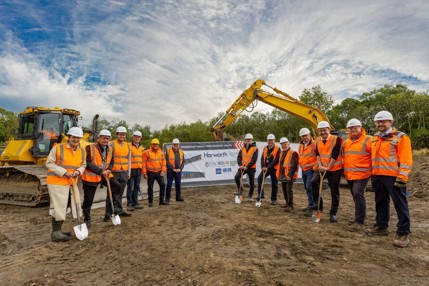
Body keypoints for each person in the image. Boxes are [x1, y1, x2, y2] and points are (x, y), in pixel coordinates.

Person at [365, 111, 413, 248]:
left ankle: (403, 232)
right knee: (380, 201)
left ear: (390, 122)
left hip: (394, 177)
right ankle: (381, 226)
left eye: (383, 121)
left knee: (400, 204)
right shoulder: (375, 138)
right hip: (377, 175)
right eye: (378, 122)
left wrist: (402, 177)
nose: (380, 124)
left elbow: (406, 159)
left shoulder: (400, 137)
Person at [46, 127, 86, 242]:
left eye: (78, 138)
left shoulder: (81, 150)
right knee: (59, 206)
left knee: (68, 205)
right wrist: (64, 172)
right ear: (69, 137)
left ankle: (58, 230)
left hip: (72, 182)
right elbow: (49, 163)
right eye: (74, 137)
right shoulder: (58, 148)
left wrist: (78, 171)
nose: (76, 140)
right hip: (57, 181)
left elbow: (83, 164)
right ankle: (56, 232)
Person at [81, 129, 122, 226]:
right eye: (103, 138)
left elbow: (111, 162)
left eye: (107, 138)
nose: (105, 140)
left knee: (116, 186)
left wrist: (109, 170)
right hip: (91, 177)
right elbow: (86, 163)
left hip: (105, 175)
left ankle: (112, 209)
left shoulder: (110, 149)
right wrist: (100, 171)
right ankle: (87, 218)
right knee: (88, 200)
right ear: (99, 138)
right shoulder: (90, 148)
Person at [342, 119, 372, 231]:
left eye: (355, 127)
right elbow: (343, 157)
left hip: (363, 174)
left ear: (361, 127)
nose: (353, 129)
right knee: (355, 196)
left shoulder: (369, 140)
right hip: (349, 174)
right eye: (351, 128)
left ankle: (359, 221)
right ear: (348, 129)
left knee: (358, 193)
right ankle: (360, 217)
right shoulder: (346, 142)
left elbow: (374, 156)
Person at [311, 121, 343, 223]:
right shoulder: (317, 140)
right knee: (314, 182)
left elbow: (335, 154)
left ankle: (333, 212)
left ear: (329, 130)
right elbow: (317, 154)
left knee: (334, 190)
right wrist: (320, 165)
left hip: (334, 169)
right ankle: (318, 206)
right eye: (320, 131)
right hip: (322, 167)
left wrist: (328, 167)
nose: (323, 132)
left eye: (324, 130)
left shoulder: (337, 139)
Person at [109, 126, 132, 217]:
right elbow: (108, 159)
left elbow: (129, 159)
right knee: (112, 193)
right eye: (120, 134)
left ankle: (119, 210)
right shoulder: (111, 144)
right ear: (117, 135)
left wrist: (129, 172)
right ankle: (109, 212)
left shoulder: (127, 145)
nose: (122, 136)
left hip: (124, 172)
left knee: (120, 193)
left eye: (123, 134)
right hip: (114, 172)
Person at [256, 134, 280, 205]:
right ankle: (261, 195)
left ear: (274, 140)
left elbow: (276, 160)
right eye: (269, 140)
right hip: (265, 168)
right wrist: (263, 167)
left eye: (271, 140)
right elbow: (262, 158)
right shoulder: (265, 148)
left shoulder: (277, 149)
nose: (270, 142)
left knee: (274, 183)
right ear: (267, 141)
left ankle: (273, 199)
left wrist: (268, 167)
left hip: (274, 169)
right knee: (260, 178)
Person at [298, 128, 317, 217]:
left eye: (306, 135)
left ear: (309, 135)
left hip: (311, 170)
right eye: (303, 136)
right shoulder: (301, 145)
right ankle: (311, 203)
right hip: (304, 170)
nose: (304, 137)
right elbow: (301, 156)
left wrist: (314, 167)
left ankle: (312, 206)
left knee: (309, 187)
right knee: (306, 187)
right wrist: (301, 165)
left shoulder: (314, 144)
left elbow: (318, 157)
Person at [276, 137, 298, 212]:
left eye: (285, 144)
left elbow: (294, 165)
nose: (284, 145)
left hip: (289, 176)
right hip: (283, 175)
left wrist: (290, 175)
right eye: (282, 144)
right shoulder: (282, 153)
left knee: (289, 190)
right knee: (284, 190)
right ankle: (287, 203)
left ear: (288, 143)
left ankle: (290, 205)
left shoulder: (293, 153)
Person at [142, 138, 167, 207]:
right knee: (150, 187)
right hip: (150, 172)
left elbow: (164, 163)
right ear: (151, 145)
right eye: (154, 144)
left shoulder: (161, 153)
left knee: (163, 185)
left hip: (159, 172)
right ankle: (150, 202)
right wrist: (144, 173)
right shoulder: (146, 152)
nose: (155, 145)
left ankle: (161, 201)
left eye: (156, 144)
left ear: (158, 145)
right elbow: (143, 163)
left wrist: (162, 171)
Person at [234, 133, 258, 201]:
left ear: (252, 140)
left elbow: (254, 159)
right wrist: (240, 165)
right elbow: (239, 157)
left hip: (251, 168)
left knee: (251, 182)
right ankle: (240, 190)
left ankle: (250, 195)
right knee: (236, 177)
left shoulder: (255, 148)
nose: (248, 140)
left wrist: (247, 166)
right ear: (245, 140)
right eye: (247, 139)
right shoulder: (242, 148)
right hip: (243, 167)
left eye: (249, 139)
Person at [127, 131, 145, 211]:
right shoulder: (128, 146)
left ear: (140, 138)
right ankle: (129, 204)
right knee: (130, 187)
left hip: (138, 170)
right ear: (133, 137)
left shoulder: (142, 148)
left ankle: (135, 202)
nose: (137, 138)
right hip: (131, 170)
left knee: (136, 187)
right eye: (135, 137)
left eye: (138, 137)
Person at [165, 138, 185, 204]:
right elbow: (166, 162)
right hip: (170, 171)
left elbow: (183, 162)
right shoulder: (168, 151)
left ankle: (178, 197)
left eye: (177, 144)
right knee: (169, 185)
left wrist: (180, 168)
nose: (176, 145)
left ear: (178, 145)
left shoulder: (181, 152)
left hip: (178, 171)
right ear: (172, 144)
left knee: (178, 184)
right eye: (174, 144)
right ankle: (167, 199)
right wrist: (172, 169)